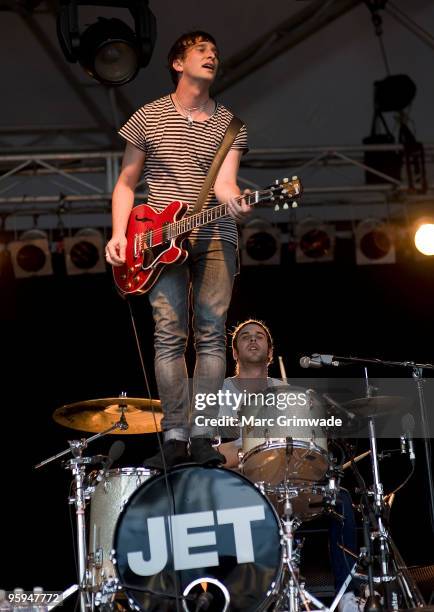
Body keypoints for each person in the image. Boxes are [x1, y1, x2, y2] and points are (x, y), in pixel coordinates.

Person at [105, 31, 250, 468]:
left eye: (215, 51)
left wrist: (238, 202)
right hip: (155, 238)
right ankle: (174, 434)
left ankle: (203, 434)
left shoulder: (231, 124)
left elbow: (224, 185)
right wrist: (118, 235)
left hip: (214, 232)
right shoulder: (148, 116)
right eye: (202, 50)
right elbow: (126, 183)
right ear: (177, 63)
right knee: (169, 334)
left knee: (211, 331)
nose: (212, 56)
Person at [219, 319, 365, 612]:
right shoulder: (221, 392)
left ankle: (348, 595)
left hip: (289, 482)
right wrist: (247, 445)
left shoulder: (285, 392)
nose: (252, 340)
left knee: (341, 499)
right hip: (246, 486)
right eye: (244, 337)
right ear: (234, 353)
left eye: (259, 336)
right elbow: (216, 454)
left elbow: (303, 446)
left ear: (270, 351)